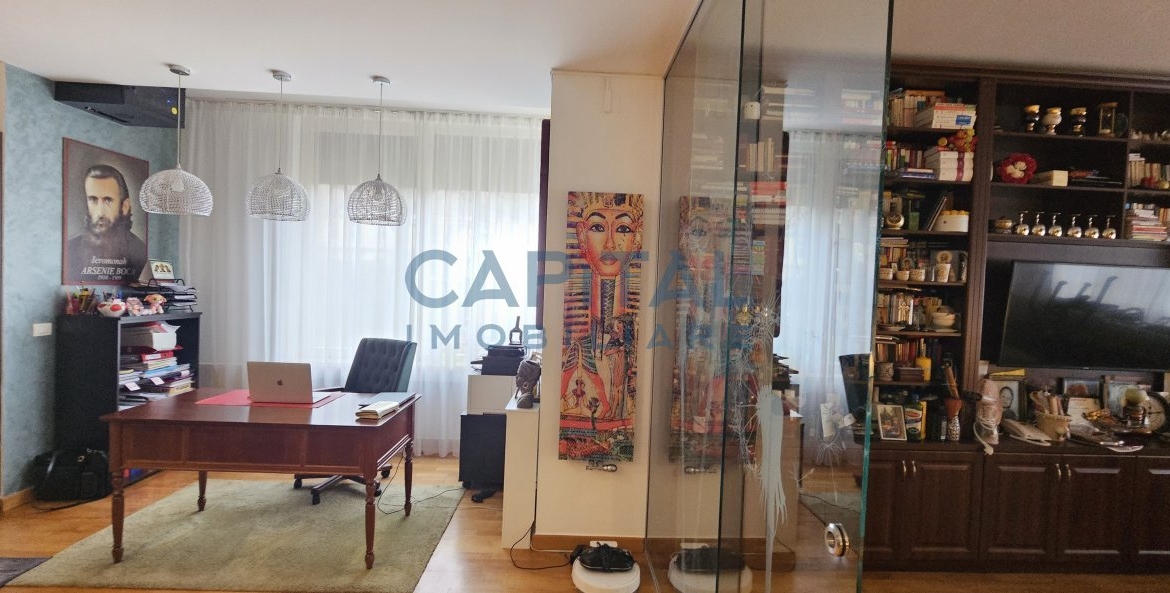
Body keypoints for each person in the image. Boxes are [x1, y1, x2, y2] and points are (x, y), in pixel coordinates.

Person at [66, 164, 147, 284]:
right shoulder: (70, 248)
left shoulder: (140, 250)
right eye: (93, 200)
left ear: (124, 206)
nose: (100, 212)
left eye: (108, 200)